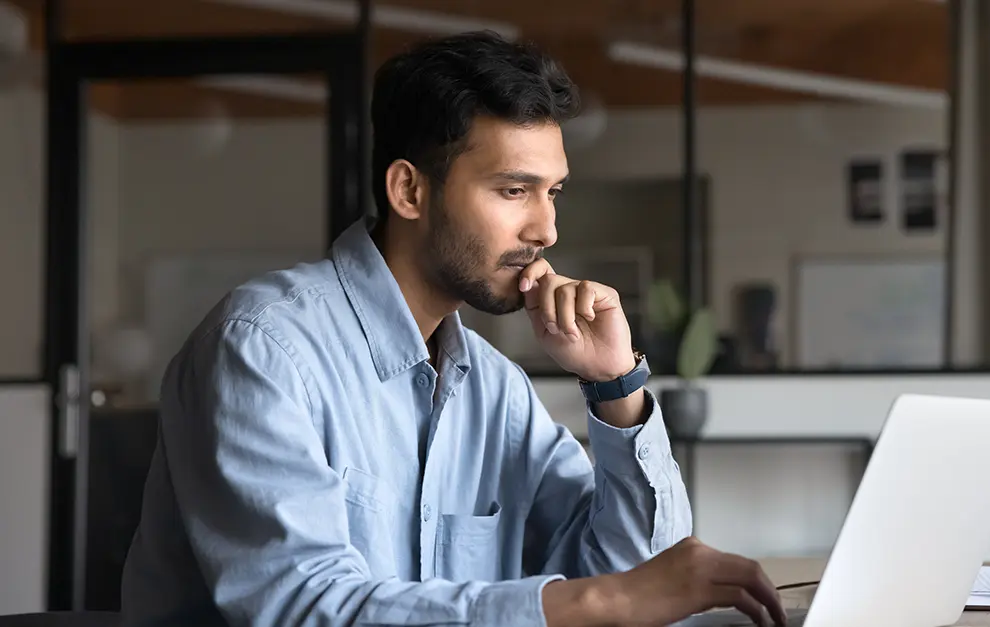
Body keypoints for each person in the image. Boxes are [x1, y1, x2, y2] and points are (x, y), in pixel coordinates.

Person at [120, 30, 786, 627]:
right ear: (410, 191)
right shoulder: (262, 348)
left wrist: (615, 382)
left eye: (552, 192)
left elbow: (638, 579)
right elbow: (302, 608)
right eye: (513, 190)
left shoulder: (496, 389)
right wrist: (599, 601)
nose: (547, 230)